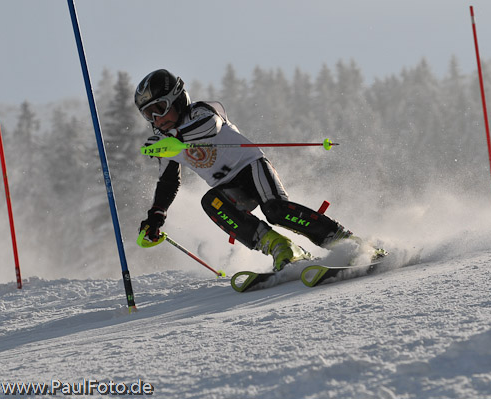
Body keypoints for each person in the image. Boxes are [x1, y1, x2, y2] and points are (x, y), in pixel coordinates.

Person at [135, 69, 354, 272]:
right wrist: (155, 218)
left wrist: (175, 139)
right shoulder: (166, 142)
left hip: (252, 168)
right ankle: (283, 248)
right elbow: (168, 182)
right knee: (211, 202)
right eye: (148, 114)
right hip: (229, 188)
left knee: (275, 211)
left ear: (178, 99)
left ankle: (343, 240)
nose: (157, 119)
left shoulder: (201, 111)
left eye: (160, 109)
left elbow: (211, 125)